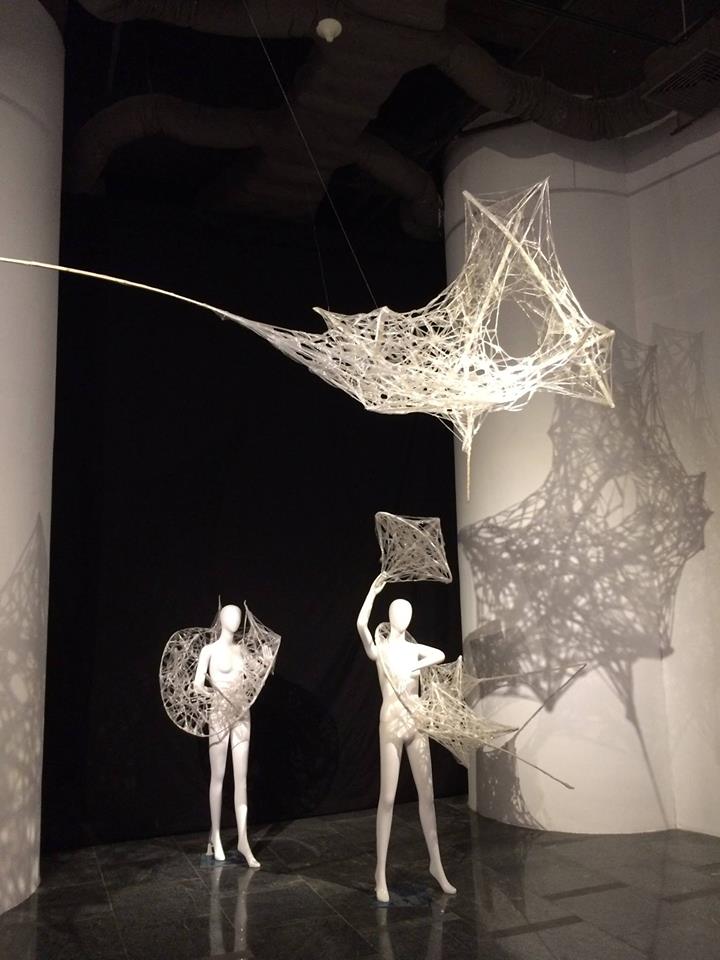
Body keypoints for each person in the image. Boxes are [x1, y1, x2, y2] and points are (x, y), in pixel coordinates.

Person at [357, 574, 456, 902]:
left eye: (408, 613)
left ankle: (436, 865)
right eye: (399, 612)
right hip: (391, 723)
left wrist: (416, 669)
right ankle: (380, 874)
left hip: (416, 721)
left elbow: (439, 654)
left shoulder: (414, 650)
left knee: (427, 796)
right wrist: (373, 592)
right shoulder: (381, 651)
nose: (404, 617)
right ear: (390, 616)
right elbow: (361, 625)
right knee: (387, 798)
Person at [193, 604, 259, 867]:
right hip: (219, 714)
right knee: (218, 777)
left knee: (241, 778)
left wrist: (266, 661)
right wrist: (210, 692)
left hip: (241, 712)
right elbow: (197, 684)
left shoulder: (242, 651)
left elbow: (255, 676)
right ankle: (216, 836)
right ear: (221, 618)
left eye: (238, 616)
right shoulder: (209, 650)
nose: (235, 619)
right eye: (230, 615)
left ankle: (243, 839)